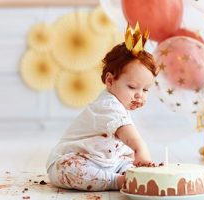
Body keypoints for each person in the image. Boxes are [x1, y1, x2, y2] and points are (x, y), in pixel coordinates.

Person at [46, 24, 159, 191]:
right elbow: (129, 136)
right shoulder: (108, 105)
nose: (139, 95)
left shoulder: (120, 104)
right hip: (79, 159)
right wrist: (140, 151)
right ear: (110, 80)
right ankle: (118, 181)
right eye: (132, 87)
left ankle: (125, 176)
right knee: (69, 169)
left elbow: (121, 146)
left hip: (110, 163)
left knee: (127, 163)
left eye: (145, 89)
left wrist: (133, 161)